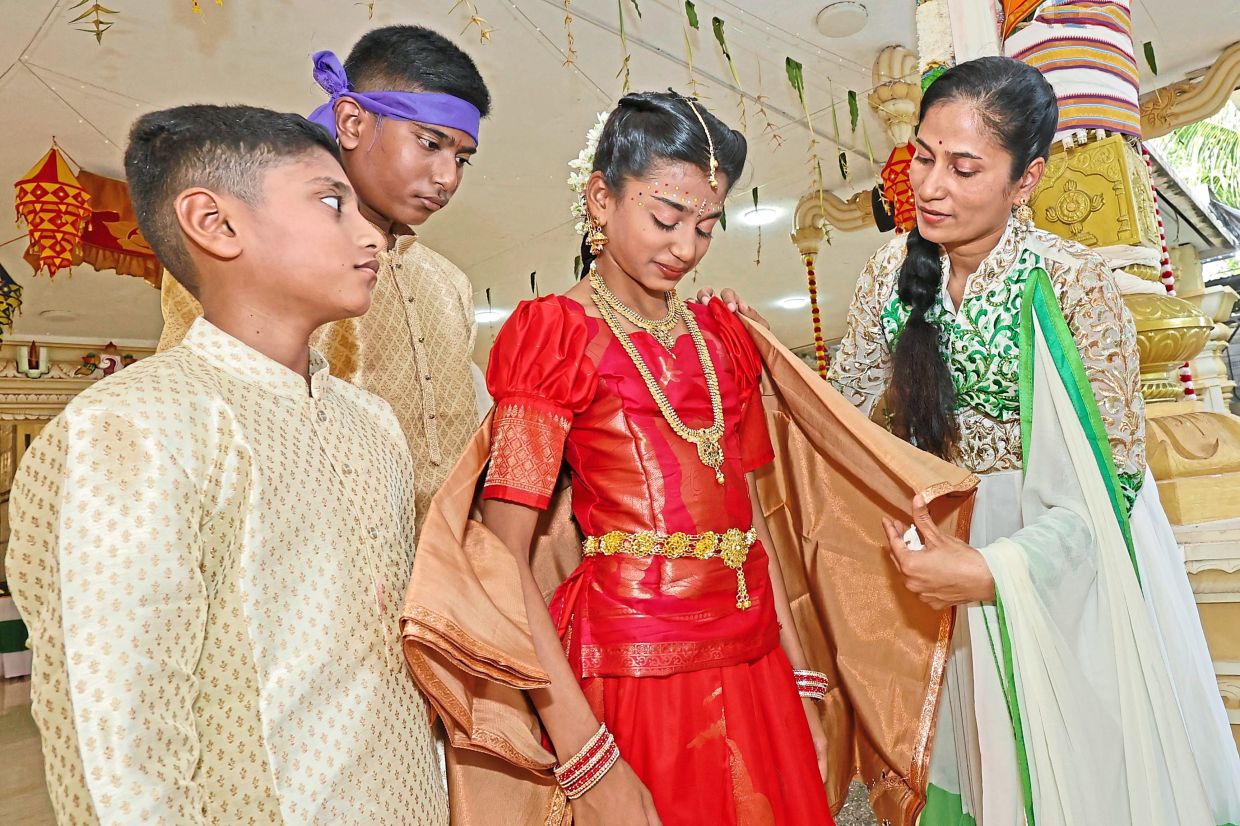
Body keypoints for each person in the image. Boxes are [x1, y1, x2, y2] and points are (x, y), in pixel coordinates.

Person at [7, 105, 447, 824]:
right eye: (332, 203)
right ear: (214, 223)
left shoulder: (371, 423)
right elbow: (120, 755)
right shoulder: (131, 429)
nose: (373, 235)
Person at [829, 56, 1240, 825]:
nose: (930, 186)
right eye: (922, 156)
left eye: (963, 167)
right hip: (953, 536)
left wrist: (997, 567)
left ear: (1026, 181)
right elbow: (842, 408)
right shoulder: (890, 270)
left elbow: (1115, 473)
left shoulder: (1069, 280)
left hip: (1066, 549)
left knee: (1087, 759)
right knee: (984, 757)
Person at [157, 25, 491, 530]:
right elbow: (187, 422)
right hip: (308, 570)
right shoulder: (251, 252)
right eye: (429, 143)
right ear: (353, 122)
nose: (447, 177)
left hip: (447, 576)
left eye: (461, 158)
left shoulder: (450, 284)